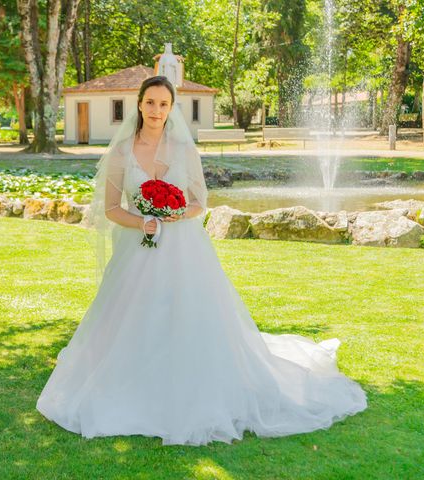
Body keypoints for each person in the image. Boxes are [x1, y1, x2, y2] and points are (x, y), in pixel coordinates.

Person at [36, 75, 367, 446]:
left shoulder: (183, 149)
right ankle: (133, 386)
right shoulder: (121, 152)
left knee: (189, 315)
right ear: (140, 104)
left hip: (183, 249)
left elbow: (199, 202)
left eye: (164, 104)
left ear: (171, 108)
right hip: (136, 248)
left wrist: (176, 213)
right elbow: (113, 209)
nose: (157, 110)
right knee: (133, 316)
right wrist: (145, 221)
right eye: (150, 102)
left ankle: (193, 384)